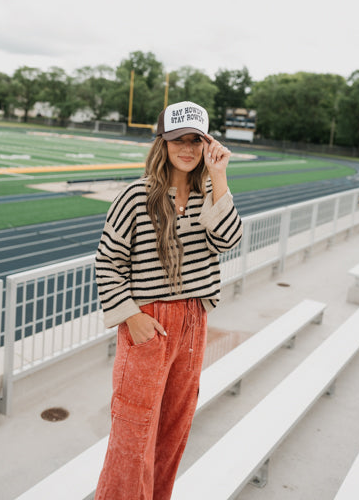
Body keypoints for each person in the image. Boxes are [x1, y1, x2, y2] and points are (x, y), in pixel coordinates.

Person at [94, 100, 243, 500]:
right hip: (148, 321)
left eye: (197, 140)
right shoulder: (134, 196)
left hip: (193, 321)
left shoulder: (209, 194)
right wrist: (131, 317)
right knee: (134, 429)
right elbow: (108, 263)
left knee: (174, 429)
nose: (188, 148)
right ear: (163, 142)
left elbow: (228, 240)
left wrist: (219, 176)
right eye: (179, 139)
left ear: (207, 145)